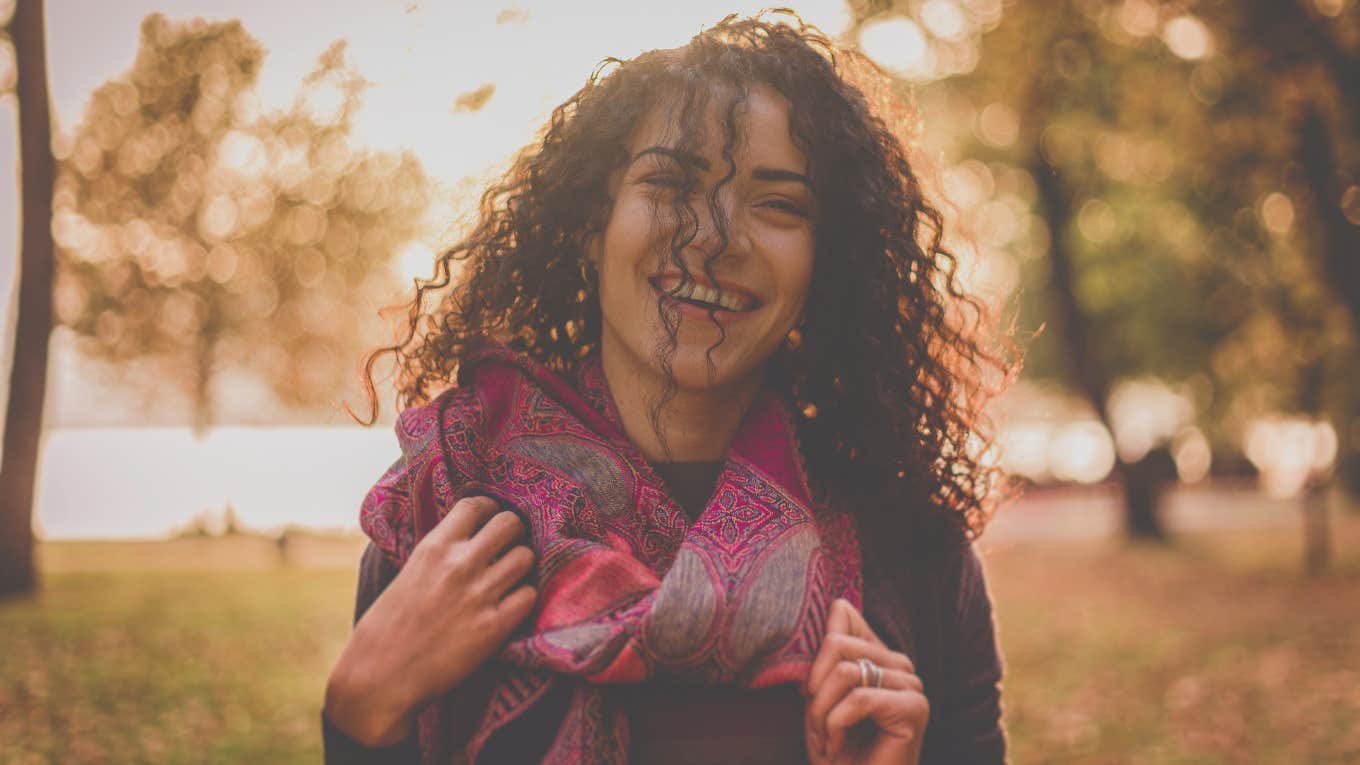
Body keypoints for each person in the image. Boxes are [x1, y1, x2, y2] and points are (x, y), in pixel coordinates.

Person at [323, 12, 1015, 765]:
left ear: (828, 259)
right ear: (596, 224)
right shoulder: (451, 512)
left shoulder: (914, 548)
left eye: (778, 203)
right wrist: (360, 710)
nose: (715, 240)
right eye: (670, 181)